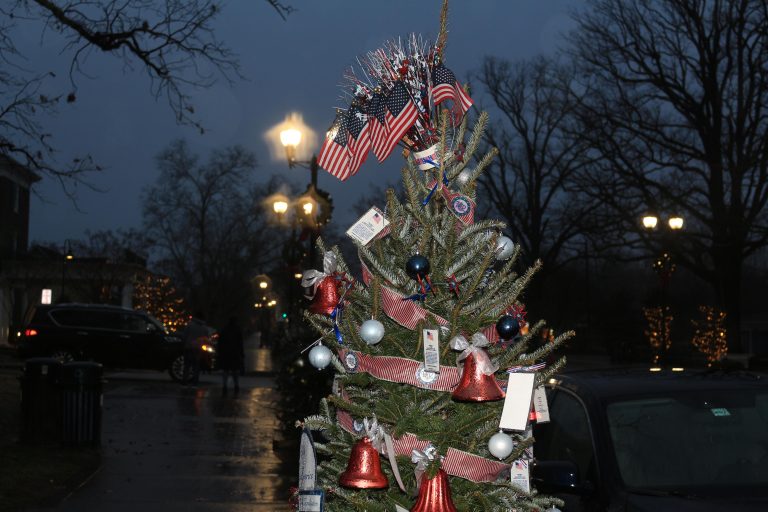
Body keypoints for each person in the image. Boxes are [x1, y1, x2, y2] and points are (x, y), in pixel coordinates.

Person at [217, 316, 245, 395]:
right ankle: (236, 385)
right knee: (235, 371)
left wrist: (219, 353)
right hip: (235, 353)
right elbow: (240, 343)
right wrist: (242, 354)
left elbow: (220, 343)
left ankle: (225, 386)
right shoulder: (237, 330)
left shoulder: (224, 330)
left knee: (225, 371)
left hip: (225, 353)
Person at [182, 311, 210, 385]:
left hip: (189, 347)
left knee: (187, 366)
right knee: (196, 367)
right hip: (198, 349)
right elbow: (206, 339)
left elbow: (184, 336)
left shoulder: (189, 325)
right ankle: (195, 382)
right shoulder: (204, 328)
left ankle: (184, 382)